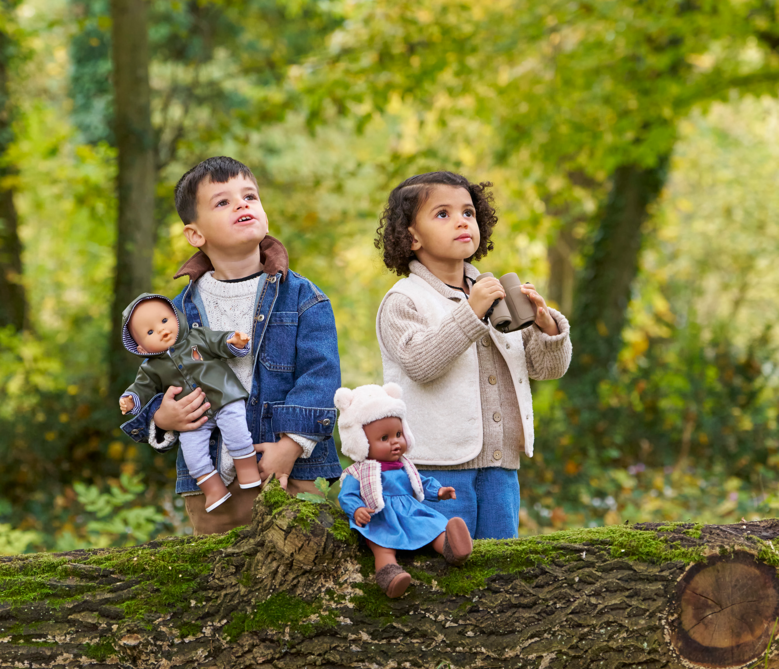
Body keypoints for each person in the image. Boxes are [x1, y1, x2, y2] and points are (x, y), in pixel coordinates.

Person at [120, 156, 342, 534]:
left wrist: (289, 447)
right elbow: (156, 379)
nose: (242, 204)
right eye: (223, 202)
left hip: (292, 470)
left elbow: (321, 375)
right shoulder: (174, 314)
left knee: (305, 568)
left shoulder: (304, 298)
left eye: (250, 196)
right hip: (212, 483)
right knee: (223, 583)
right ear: (195, 235)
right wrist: (160, 417)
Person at [375, 171, 572, 540]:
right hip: (437, 469)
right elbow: (420, 364)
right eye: (443, 214)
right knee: (446, 569)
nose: (462, 220)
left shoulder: (494, 294)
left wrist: (546, 328)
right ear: (411, 236)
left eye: (468, 212)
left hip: (502, 467)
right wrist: (471, 312)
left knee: (500, 570)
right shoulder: (404, 300)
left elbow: (547, 369)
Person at [119, 293, 261, 513]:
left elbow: (218, 341)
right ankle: (213, 489)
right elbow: (142, 388)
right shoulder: (151, 368)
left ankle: (247, 469)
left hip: (224, 396)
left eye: (165, 321)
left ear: (177, 317)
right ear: (141, 349)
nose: (162, 330)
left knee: (237, 432)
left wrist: (233, 341)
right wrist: (131, 400)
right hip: (192, 417)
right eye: (150, 332)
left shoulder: (197, 337)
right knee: (192, 453)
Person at [336, 383, 472, 598]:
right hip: (381, 517)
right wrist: (357, 509)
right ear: (361, 442)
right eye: (384, 438)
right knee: (382, 546)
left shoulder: (405, 465)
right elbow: (347, 495)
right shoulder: (358, 472)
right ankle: (389, 574)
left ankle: (451, 548)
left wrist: (438, 491)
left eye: (398, 434)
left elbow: (421, 483)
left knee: (432, 526)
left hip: (410, 511)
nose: (395, 442)